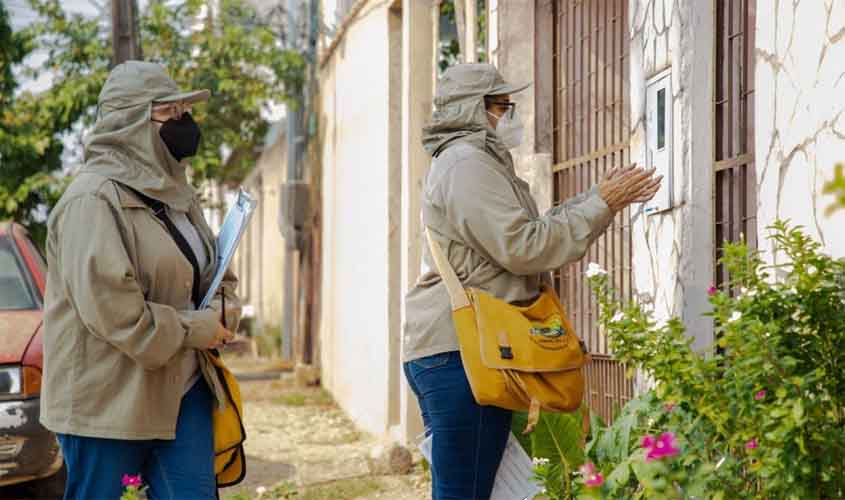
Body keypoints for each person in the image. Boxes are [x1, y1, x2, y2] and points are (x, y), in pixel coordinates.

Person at [403, 63, 661, 500]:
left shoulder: (471, 162)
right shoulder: (467, 164)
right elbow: (524, 248)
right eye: (505, 106)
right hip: (464, 353)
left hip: (461, 351)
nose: (513, 116)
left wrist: (594, 199)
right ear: (476, 110)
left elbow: (526, 232)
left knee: (470, 489)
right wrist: (601, 205)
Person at [41, 61, 241, 500]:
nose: (184, 124)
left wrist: (225, 305)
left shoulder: (177, 197)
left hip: (182, 391)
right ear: (132, 124)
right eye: (170, 114)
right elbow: (119, 315)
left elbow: (212, 271)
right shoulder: (91, 202)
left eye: (184, 113)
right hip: (108, 407)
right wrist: (198, 328)